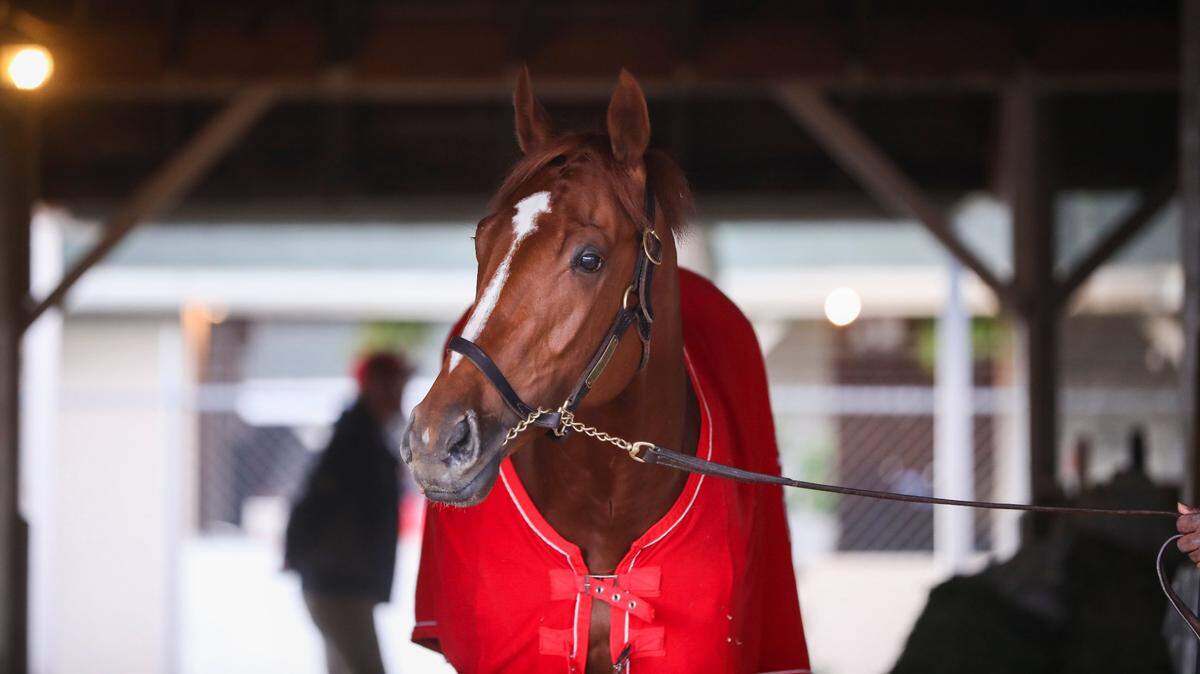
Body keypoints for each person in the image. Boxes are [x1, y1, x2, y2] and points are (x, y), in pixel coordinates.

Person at [285, 351, 411, 674]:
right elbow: (320, 508)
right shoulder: (357, 442)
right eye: (396, 382)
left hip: (337, 585)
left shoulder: (359, 436)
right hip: (339, 587)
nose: (401, 392)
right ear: (375, 385)